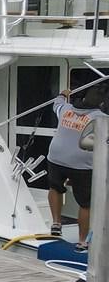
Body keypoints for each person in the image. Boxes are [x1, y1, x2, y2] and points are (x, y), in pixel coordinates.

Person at [47, 83, 107, 252]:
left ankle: (56, 223)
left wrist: (62, 94)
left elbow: (57, 103)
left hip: (56, 157)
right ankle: (82, 243)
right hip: (81, 164)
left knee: (55, 188)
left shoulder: (65, 109)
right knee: (85, 204)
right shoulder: (101, 118)